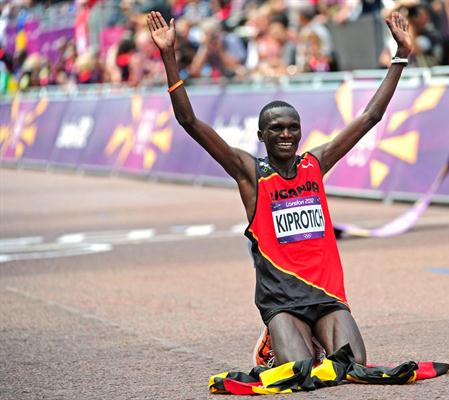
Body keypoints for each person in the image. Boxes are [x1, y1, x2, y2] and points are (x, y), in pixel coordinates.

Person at [146, 10, 412, 366]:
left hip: (326, 294)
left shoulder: (315, 164)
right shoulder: (250, 174)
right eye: (276, 129)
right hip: (282, 299)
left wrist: (401, 55)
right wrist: (168, 55)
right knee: (298, 373)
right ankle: (273, 339)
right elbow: (189, 121)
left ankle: (317, 337)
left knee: (353, 366)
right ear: (261, 136)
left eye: (292, 128)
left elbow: (370, 117)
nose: (285, 134)